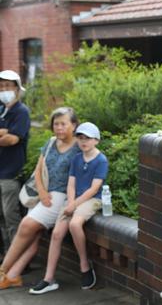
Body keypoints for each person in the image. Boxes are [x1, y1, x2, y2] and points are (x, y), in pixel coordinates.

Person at [0, 107, 80, 289]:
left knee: (26, 225)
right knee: (33, 237)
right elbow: (38, 170)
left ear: (74, 125)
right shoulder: (51, 142)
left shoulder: (78, 147)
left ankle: (3, 269)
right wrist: (42, 192)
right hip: (42, 195)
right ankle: (12, 277)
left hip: (60, 197)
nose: (59, 128)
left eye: (63, 124)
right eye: (56, 124)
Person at [29, 122, 107, 294]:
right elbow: (71, 184)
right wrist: (70, 202)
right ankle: (48, 279)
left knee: (74, 224)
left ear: (97, 140)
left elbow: (94, 189)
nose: (83, 141)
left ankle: (85, 265)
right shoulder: (77, 159)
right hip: (72, 200)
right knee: (56, 234)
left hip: (91, 200)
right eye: (80, 138)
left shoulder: (101, 160)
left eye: (88, 138)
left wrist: (74, 205)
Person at [0, 70, 30, 254]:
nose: (3, 90)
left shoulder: (21, 111)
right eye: (1, 86)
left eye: (8, 86)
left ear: (17, 89)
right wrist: (4, 132)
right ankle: (6, 257)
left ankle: (18, 260)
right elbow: (6, 136)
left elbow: (13, 140)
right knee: (1, 218)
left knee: (11, 217)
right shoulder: (1, 109)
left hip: (11, 173)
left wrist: (6, 134)